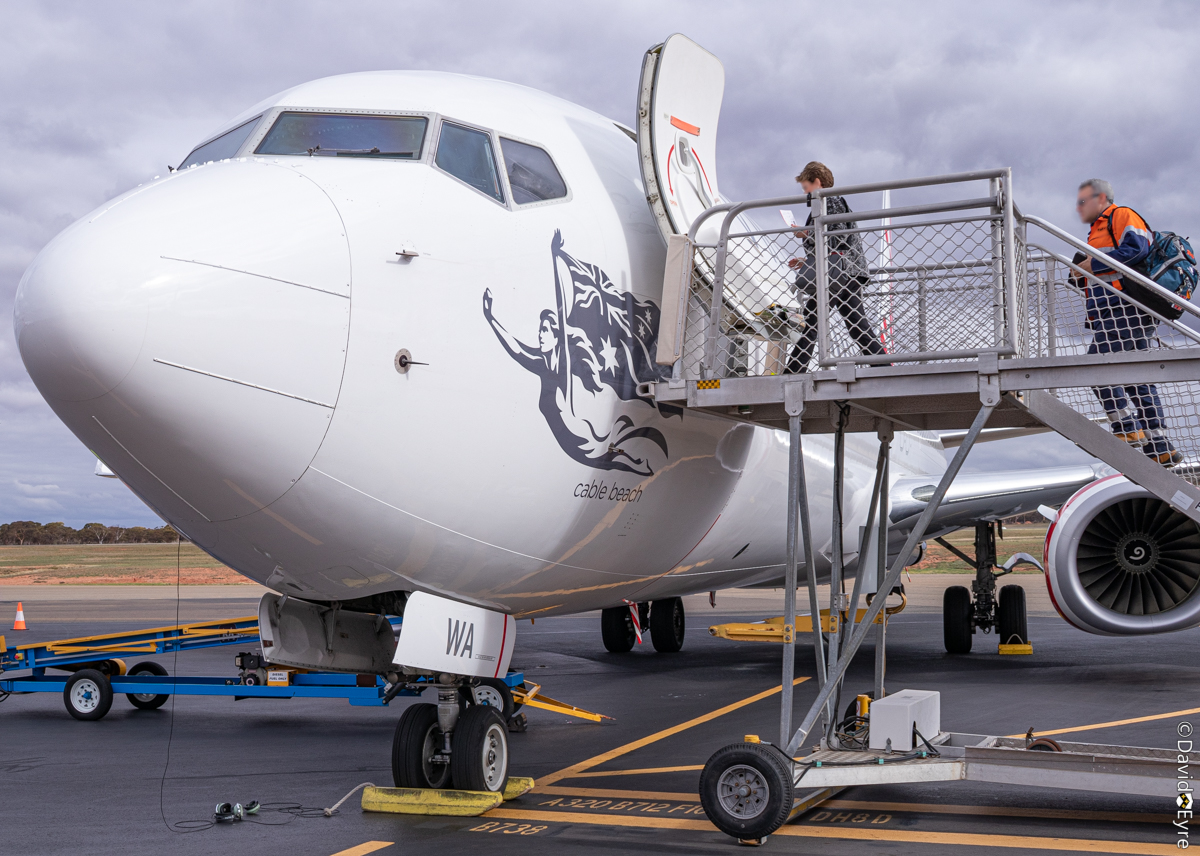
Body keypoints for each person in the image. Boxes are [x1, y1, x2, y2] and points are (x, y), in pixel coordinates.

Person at [1075, 178, 1181, 465]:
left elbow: (1137, 248)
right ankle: (1159, 444)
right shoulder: (1096, 231)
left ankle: (1127, 428)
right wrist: (1080, 273)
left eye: (1083, 200)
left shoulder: (1122, 215)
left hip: (1127, 307)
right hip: (1109, 310)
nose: (1078, 206)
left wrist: (1091, 264)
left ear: (1101, 198)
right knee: (1134, 378)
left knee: (1095, 366)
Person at [785, 162, 886, 373]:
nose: (805, 193)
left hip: (839, 274)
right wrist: (806, 262)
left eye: (806, 187)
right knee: (855, 326)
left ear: (817, 182)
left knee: (814, 325)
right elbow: (833, 245)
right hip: (839, 273)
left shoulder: (830, 201)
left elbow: (836, 237)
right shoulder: (829, 203)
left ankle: (793, 372)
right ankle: (885, 366)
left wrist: (806, 234)